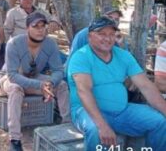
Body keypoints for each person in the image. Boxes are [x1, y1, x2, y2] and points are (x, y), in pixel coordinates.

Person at [67, 16, 166, 150]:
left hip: (122, 111)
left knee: (160, 121)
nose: (107, 39)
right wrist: (102, 125)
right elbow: (84, 91)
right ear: (90, 36)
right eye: (101, 34)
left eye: (111, 34)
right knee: (95, 129)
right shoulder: (81, 57)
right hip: (86, 111)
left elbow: (146, 86)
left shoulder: (123, 55)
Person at [0, 12, 70, 151]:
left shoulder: (50, 43)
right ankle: (15, 139)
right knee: (15, 90)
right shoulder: (14, 43)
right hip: (11, 78)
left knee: (61, 85)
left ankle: (67, 125)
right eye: (35, 26)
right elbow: (12, 75)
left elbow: (58, 70)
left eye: (43, 26)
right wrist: (40, 85)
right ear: (27, 28)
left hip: (34, 77)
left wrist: (50, 83)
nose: (40, 30)